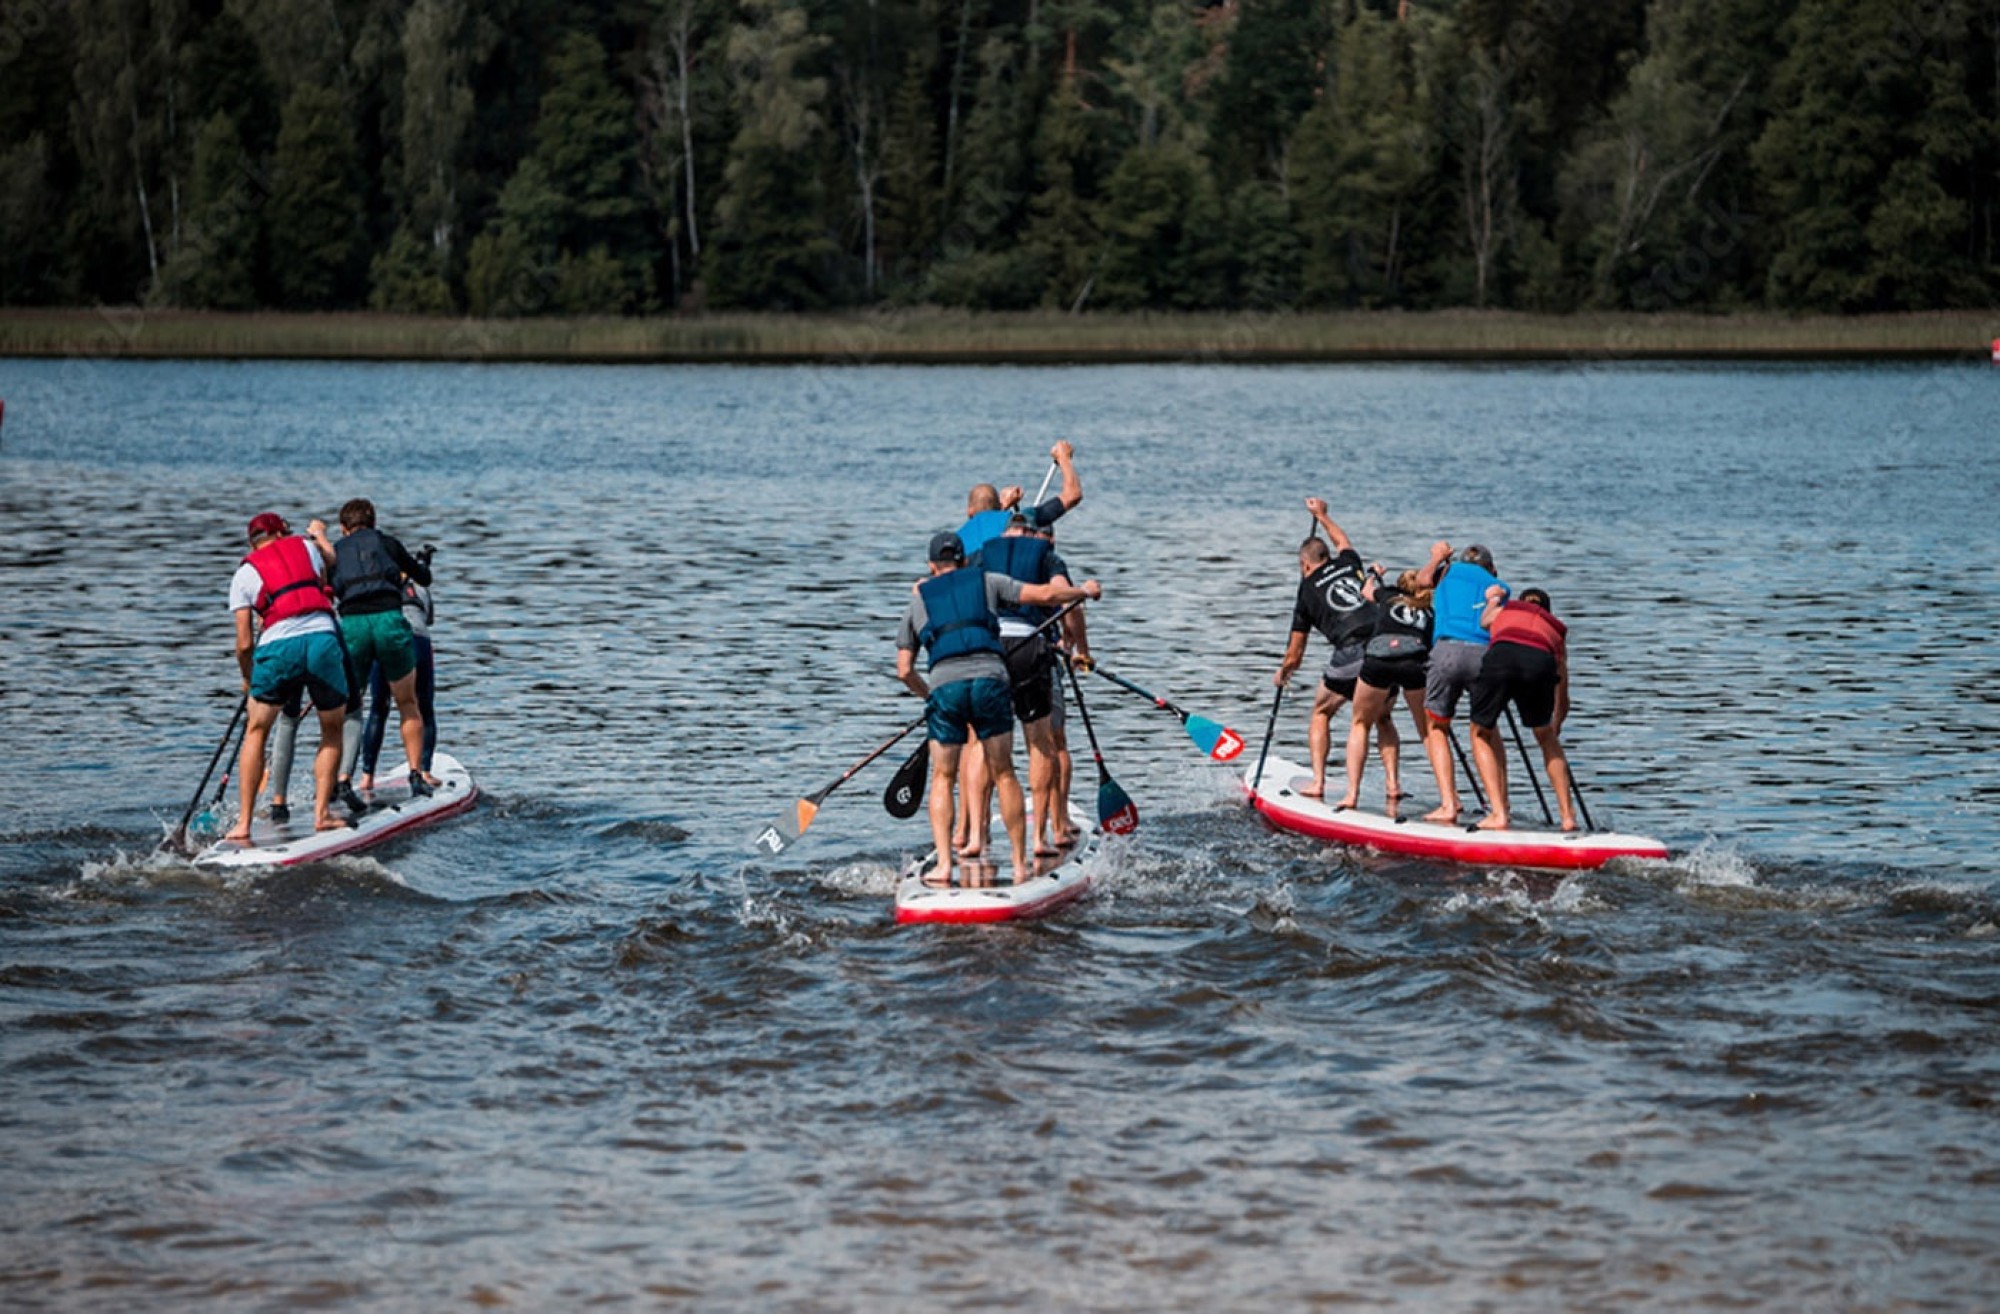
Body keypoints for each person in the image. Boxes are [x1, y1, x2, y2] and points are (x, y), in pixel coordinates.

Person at [896, 531, 1101, 888]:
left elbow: (904, 670)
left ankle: (945, 864)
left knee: (943, 777)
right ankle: (1021, 864)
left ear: (930, 566)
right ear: (964, 561)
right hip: (990, 678)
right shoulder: (987, 580)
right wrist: (1083, 591)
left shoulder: (919, 600)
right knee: (1004, 771)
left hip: (945, 685)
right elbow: (1047, 595)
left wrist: (930, 696)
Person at [225, 512, 349, 840]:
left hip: (278, 647)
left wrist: (248, 678)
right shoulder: (306, 546)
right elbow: (326, 570)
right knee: (332, 728)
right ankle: (322, 814)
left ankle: (243, 823)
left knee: (256, 731)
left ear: (251, 542)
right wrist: (318, 534)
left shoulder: (244, 573)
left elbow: (244, 644)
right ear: (281, 534)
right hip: (322, 640)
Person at [964, 513, 1080, 857]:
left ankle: (975, 836)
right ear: (1031, 534)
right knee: (1041, 742)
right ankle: (1041, 838)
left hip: (986, 650)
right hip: (1030, 646)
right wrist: (1080, 649)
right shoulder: (1046, 556)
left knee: (982, 744)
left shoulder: (981, 554)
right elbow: (1065, 600)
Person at [307, 499, 433, 805]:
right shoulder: (388, 543)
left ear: (343, 528)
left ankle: (342, 779)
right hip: (389, 621)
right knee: (407, 702)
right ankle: (416, 774)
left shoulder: (335, 551)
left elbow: (326, 588)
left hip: (353, 627)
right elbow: (423, 578)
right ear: (373, 522)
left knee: (350, 707)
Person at [1272, 498, 1392, 799]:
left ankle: (1318, 782)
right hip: (1386, 645)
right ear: (1327, 556)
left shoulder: (1305, 592)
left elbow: (1295, 654)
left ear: (1305, 565)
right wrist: (1322, 515)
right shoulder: (1348, 563)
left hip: (1352, 651)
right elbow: (1342, 541)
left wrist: (1283, 673)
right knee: (1382, 716)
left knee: (1322, 712)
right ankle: (1393, 786)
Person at [1468, 586, 1578, 832]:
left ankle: (1498, 813)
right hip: (1539, 662)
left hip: (1502, 657)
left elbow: (1484, 621)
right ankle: (1568, 816)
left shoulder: (1506, 610)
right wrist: (1556, 724)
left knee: (1480, 732)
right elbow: (1562, 688)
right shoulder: (1553, 629)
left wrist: (1492, 599)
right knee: (1545, 737)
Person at [1336, 561, 1444, 811]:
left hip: (1380, 659)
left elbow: (1365, 591)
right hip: (1414, 663)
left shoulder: (1388, 596)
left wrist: (1373, 574)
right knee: (1429, 732)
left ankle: (1351, 795)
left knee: (1360, 723)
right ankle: (1448, 798)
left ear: (1401, 587)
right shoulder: (1431, 614)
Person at [1416, 543, 1508, 824]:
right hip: (1484, 656)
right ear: (1491, 568)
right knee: (1485, 731)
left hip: (1447, 652)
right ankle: (1500, 807)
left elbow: (1421, 580)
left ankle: (1448, 804)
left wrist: (1436, 557)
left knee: (1436, 727)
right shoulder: (1500, 586)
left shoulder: (1448, 572)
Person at [359, 550, 438, 790]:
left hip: (385, 640)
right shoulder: (420, 587)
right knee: (424, 708)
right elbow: (429, 618)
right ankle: (424, 770)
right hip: (417, 640)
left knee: (378, 709)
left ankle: (367, 777)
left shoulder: (374, 585)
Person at [956, 439, 1084, 560]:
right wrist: (1064, 458)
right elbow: (1073, 495)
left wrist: (1003, 507)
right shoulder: (1021, 519)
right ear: (998, 505)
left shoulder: (955, 539)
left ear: (969, 512)